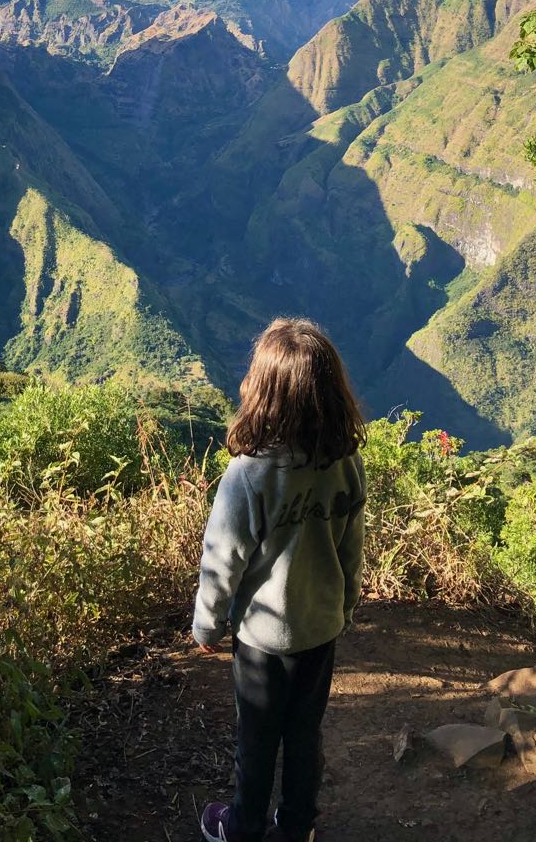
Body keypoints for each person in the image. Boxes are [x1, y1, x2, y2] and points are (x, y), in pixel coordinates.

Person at [193, 318, 366, 842]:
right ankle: (296, 828)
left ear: (263, 392)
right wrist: (347, 606)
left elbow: (223, 558)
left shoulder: (248, 474)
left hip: (262, 642)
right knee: (304, 735)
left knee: (257, 740)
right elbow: (350, 546)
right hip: (320, 628)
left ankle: (242, 828)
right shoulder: (344, 462)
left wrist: (208, 626)